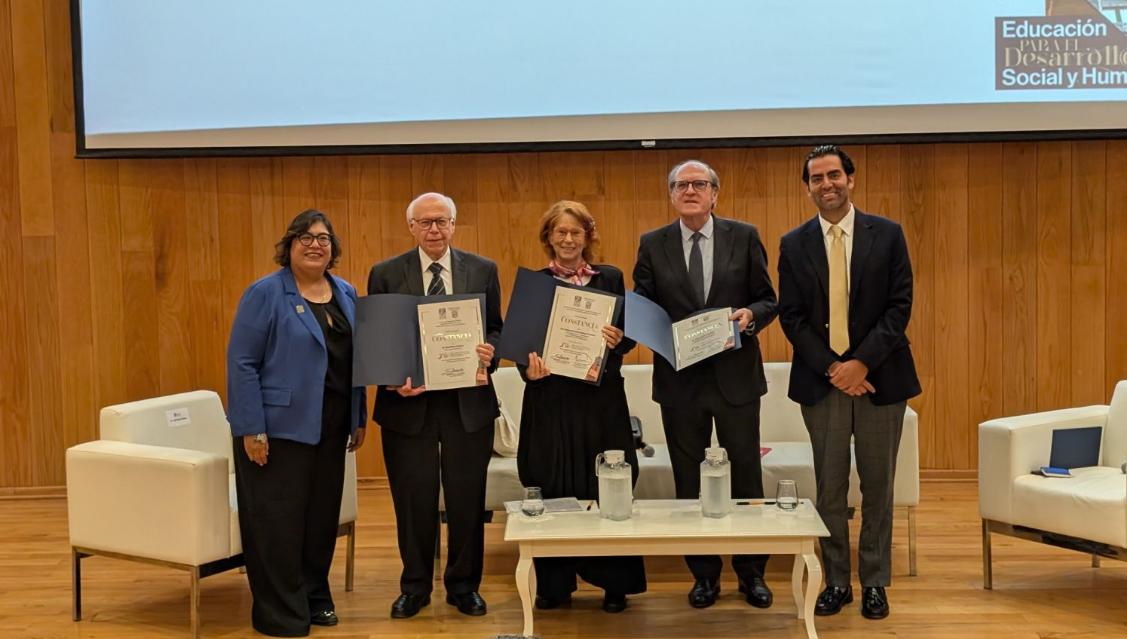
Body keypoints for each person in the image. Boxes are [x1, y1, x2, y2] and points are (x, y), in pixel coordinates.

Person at [777, 145, 920, 620]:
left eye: (834, 175)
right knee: (830, 488)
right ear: (808, 187)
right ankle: (836, 580)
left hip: (882, 379)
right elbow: (792, 318)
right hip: (823, 384)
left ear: (851, 180)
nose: (827, 184)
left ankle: (876, 581)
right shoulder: (793, 244)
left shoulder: (889, 234)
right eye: (816, 178)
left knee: (879, 487)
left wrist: (860, 364)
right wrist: (835, 369)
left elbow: (899, 306)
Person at [633, 160, 778, 609]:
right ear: (671, 195)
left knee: (746, 477)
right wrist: (661, 335)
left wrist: (751, 316)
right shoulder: (653, 244)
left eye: (699, 184)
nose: (690, 190)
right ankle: (704, 575)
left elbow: (768, 299)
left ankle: (752, 574)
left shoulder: (745, 235)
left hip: (735, 377)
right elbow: (642, 307)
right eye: (681, 185)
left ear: (715, 193)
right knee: (688, 478)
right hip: (680, 382)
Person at [226, 209, 367, 637]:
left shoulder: (345, 291)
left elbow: (354, 361)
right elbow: (242, 363)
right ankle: (279, 612)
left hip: (332, 425)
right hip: (277, 429)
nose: (315, 244)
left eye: (323, 238)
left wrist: (358, 416)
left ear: (333, 249)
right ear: (288, 247)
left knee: (320, 520)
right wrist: (252, 428)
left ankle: (314, 597)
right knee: (277, 523)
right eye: (304, 237)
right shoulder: (265, 293)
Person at [367, 192, 503, 619]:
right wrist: (392, 379)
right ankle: (414, 586)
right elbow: (379, 338)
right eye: (424, 222)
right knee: (413, 500)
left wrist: (489, 354)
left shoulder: (482, 269)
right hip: (409, 408)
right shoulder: (386, 273)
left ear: (453, 224)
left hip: (468, 404)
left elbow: (496, 328)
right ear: (411, 227)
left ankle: (464, 586)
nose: (433, 230)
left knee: (467, 499)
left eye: (441, 221)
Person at [517, 200, 647, 614]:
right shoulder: (536, 284)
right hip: (551, 399)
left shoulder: (609, 278)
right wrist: (529, 370)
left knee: (608, 485)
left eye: (576, 232)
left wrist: (616, 339)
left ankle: (614, 584)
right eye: (560, 233)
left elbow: (628, 339)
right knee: (554, 483)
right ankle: (555, 586)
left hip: (600, 401)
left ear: (588, 236)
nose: (569, 240)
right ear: (548, 239)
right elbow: (523, 347)